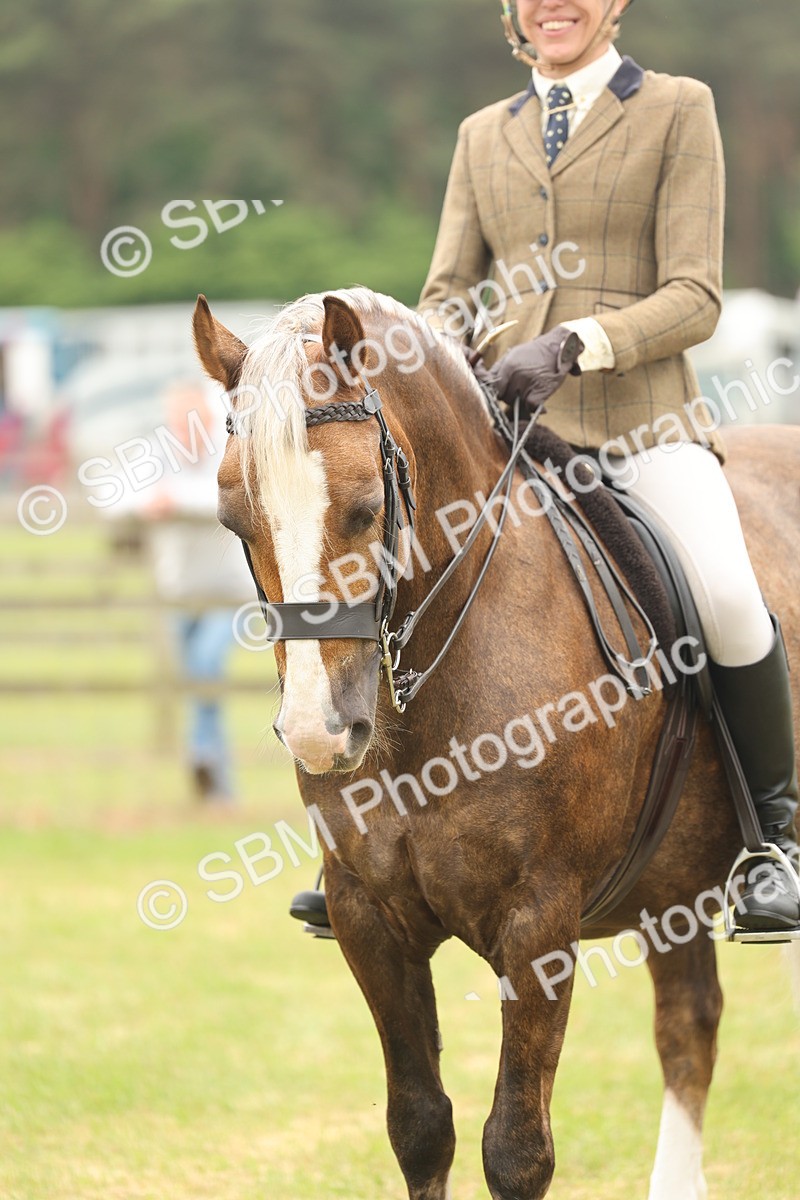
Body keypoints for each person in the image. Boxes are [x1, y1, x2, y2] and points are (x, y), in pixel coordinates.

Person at [414, 0, 799, 935]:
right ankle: (380, 841)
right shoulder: (482, 133)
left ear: (616, 3)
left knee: (726, 597)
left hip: (641, 428)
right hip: (506, 435)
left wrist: (578, 343)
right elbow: (448, 288)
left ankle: (777, 841)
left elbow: (696, 294)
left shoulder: (677, 106)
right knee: (406, 586)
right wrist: (440, 355)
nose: (556, 5)